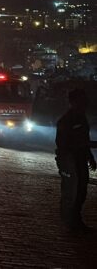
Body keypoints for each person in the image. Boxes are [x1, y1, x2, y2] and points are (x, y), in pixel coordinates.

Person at [55, 88, 97, 231]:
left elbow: (84, 139)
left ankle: (75, 220)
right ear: (73, 102)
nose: (84, 103)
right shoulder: (67, 120)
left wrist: (90, 157)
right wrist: (87, 146)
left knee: (81, 191)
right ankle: (70, 221)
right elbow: (63, 144)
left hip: (79, 159)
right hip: (70, 161)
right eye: (81, 100)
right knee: (72, 191)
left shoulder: (81, 118)